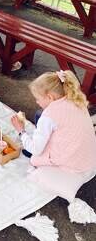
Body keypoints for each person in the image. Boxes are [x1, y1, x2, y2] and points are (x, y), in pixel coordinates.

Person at [11, 70, 96, 202]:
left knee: (33, 152)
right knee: (39, 114)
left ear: (50, 97)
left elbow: (36, 149)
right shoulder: (74, 99)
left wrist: (21, 131)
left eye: (38, 98)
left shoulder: (49, 116)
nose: (37, 102)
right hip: (87, 153)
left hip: (72, 160)